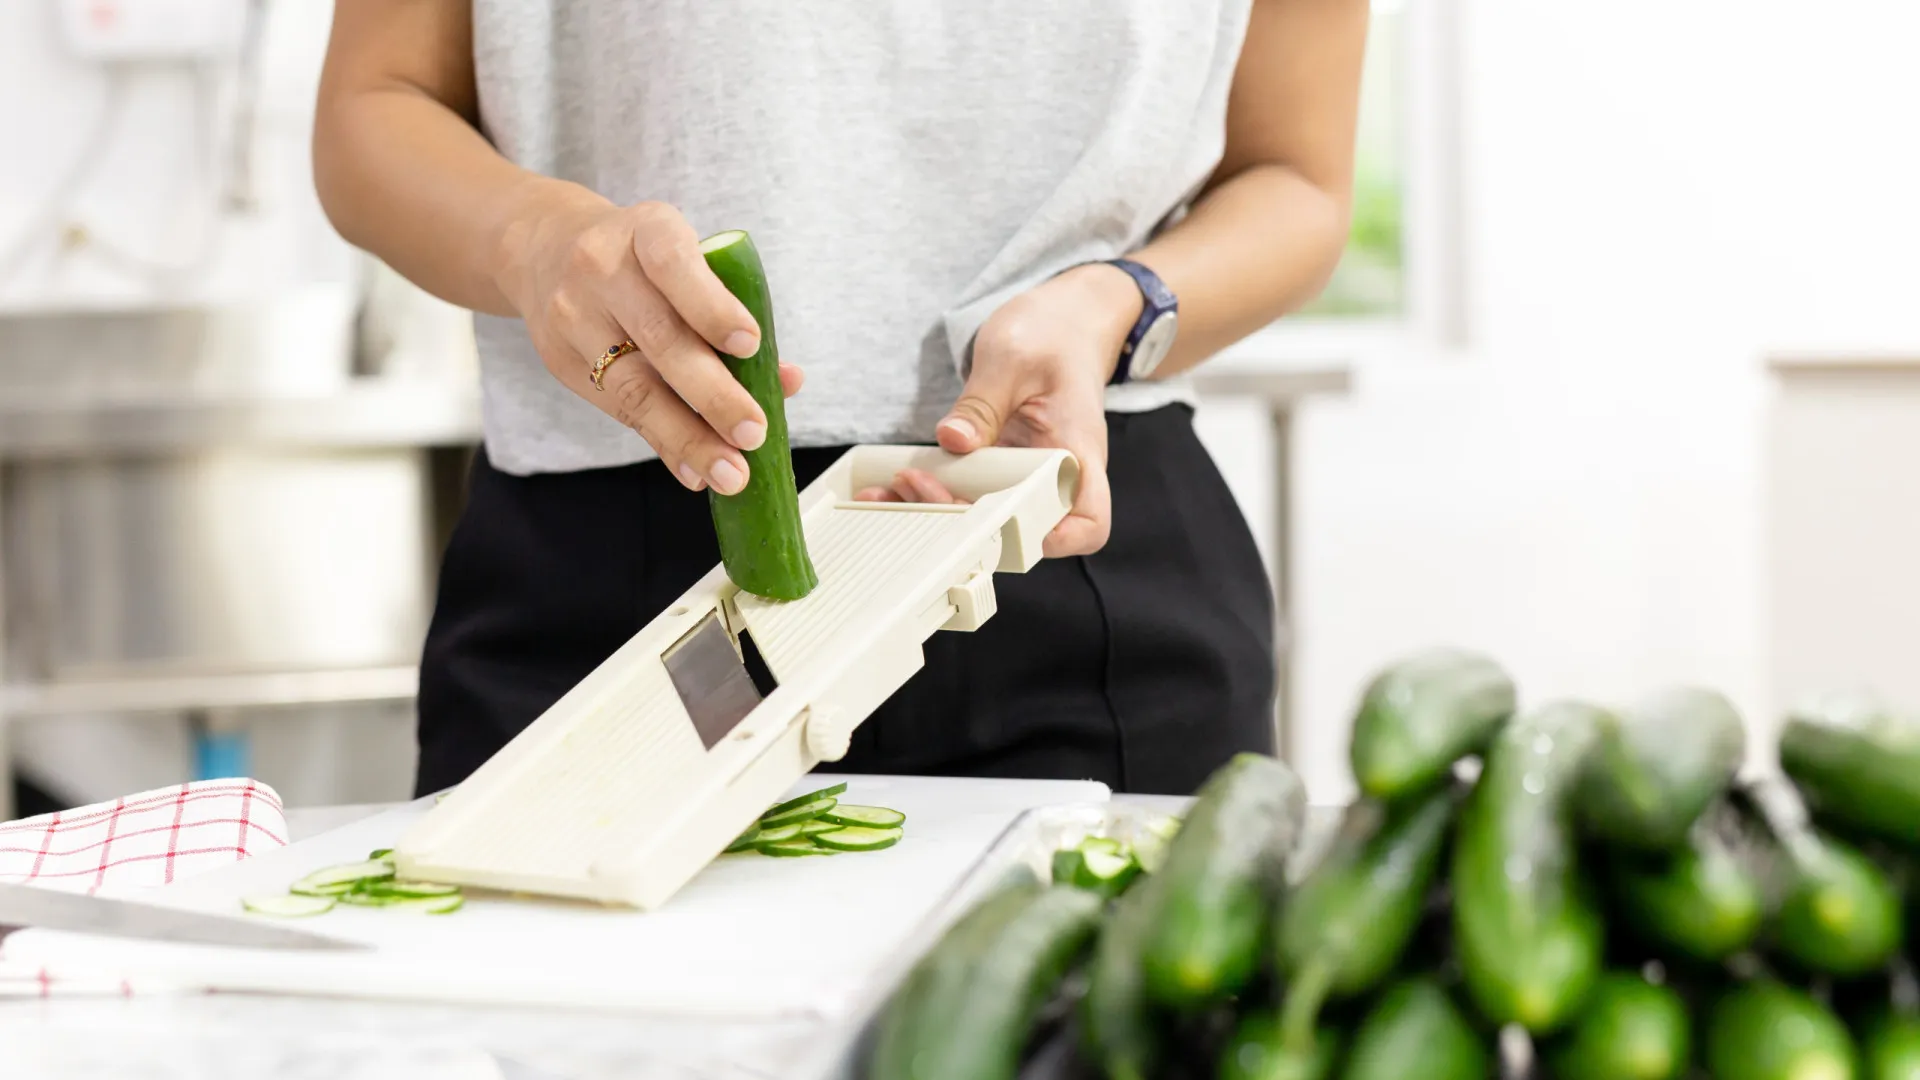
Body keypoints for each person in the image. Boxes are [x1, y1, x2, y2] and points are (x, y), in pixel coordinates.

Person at [312, 0, 1368, 797]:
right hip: (620, 572)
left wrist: (1112, 305)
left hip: (1064, 542)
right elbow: (374, 105)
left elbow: (1298, 177)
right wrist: (534, 239)